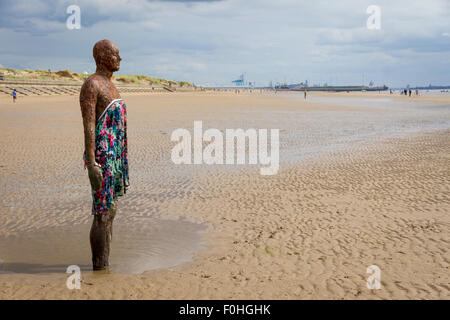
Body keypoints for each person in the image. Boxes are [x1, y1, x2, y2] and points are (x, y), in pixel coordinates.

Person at [80, 39, 129, 270]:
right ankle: (99, 266)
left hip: (115, 157)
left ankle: (105, 262)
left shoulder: (111, 85)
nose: (120, 58)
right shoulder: (92, 84)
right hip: (101, 157)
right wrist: (91, 163)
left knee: (111, 211)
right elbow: (88, 125)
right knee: (101, 212)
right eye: (115, 54)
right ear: (102, 57)